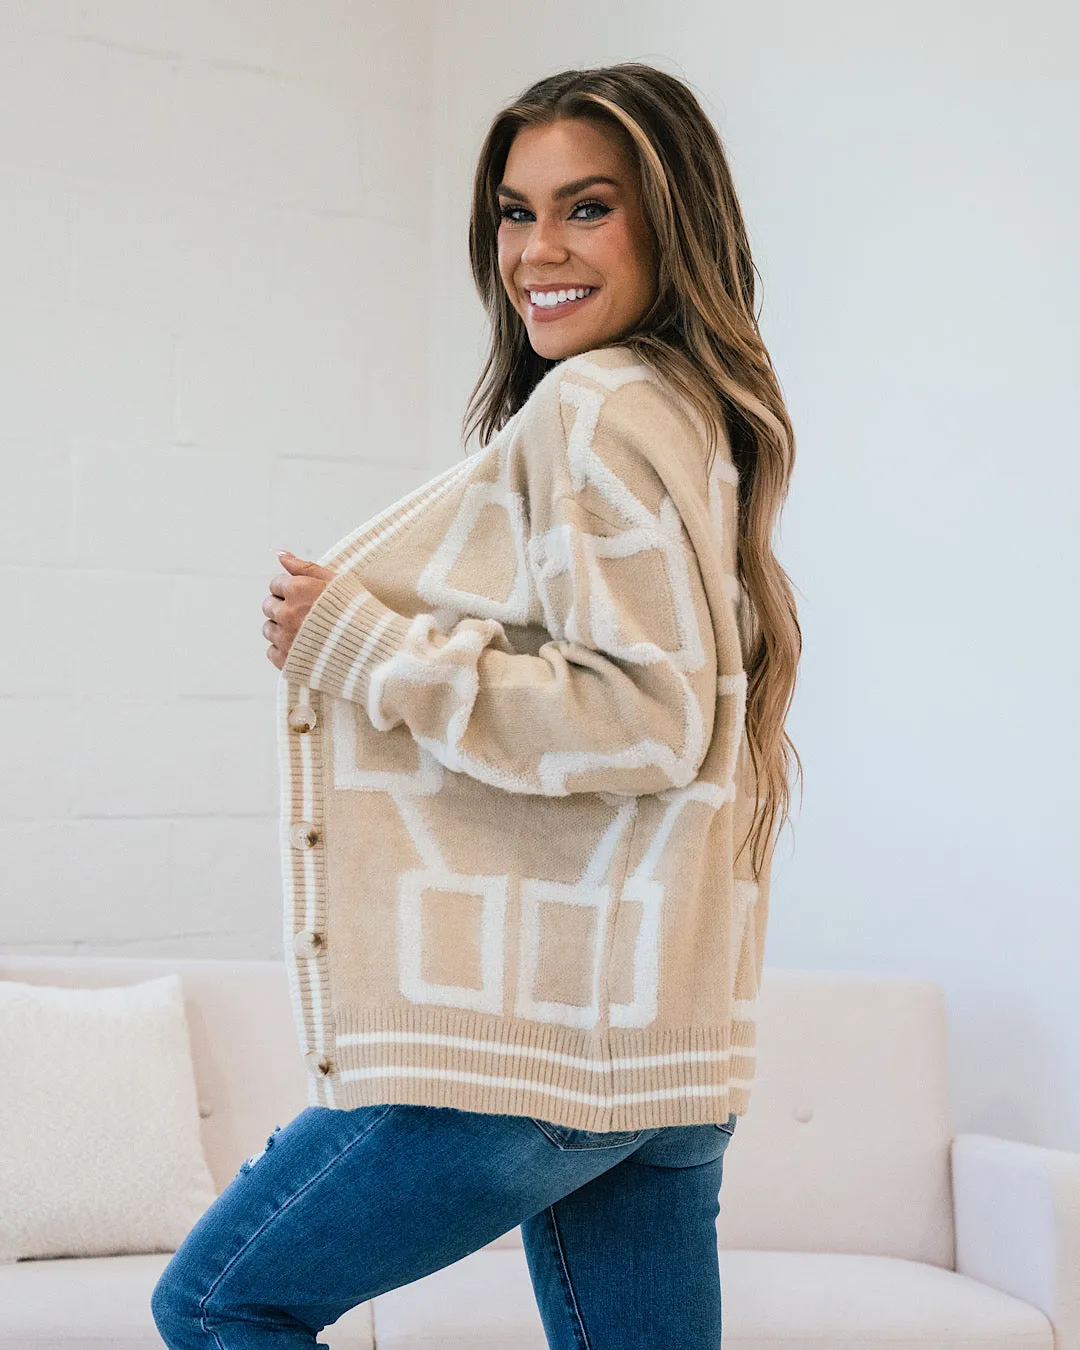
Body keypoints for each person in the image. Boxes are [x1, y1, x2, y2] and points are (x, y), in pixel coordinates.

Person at [152, 61, 801, 1350]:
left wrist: (362, 645)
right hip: (666, 1053)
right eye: (516, 212)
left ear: (672, 221)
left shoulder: (598, 409)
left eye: (588, 208)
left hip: (541, 1058)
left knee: (223, 1304)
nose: (538, 250)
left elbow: (643, 716)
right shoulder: (697, 415)